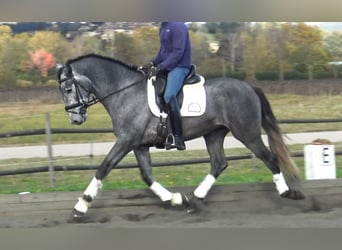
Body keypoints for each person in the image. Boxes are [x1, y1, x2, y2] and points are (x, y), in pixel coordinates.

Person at [144, 22, 192, 151]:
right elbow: (163, 52)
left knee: (169, 95)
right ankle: (162, 133)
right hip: (168, 66)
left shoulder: (178, 26)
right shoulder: (164, 27)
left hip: (180, 66)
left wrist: (160, 67)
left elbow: (178, 52)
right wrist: (152, 63)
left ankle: (178, 137)